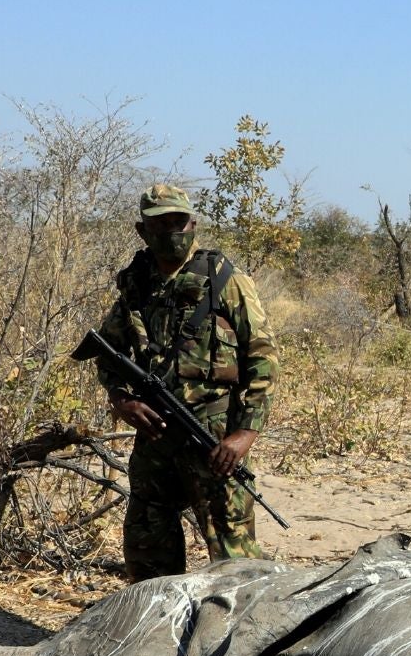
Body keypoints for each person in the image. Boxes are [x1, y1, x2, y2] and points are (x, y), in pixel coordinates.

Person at [91, 183, 278, 581]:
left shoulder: (224, 278)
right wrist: (121, 400)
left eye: (179, 222)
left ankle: (245, 637)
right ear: (143, 231)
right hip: (155, 436)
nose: (171, 233)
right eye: (160, 225)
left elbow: (262, 356)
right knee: (148, 547)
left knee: (235, 556)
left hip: (213, 437)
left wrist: (244, 433)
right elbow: (108, 352)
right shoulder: (136, 283)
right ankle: (155, 633)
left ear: (193, 224)